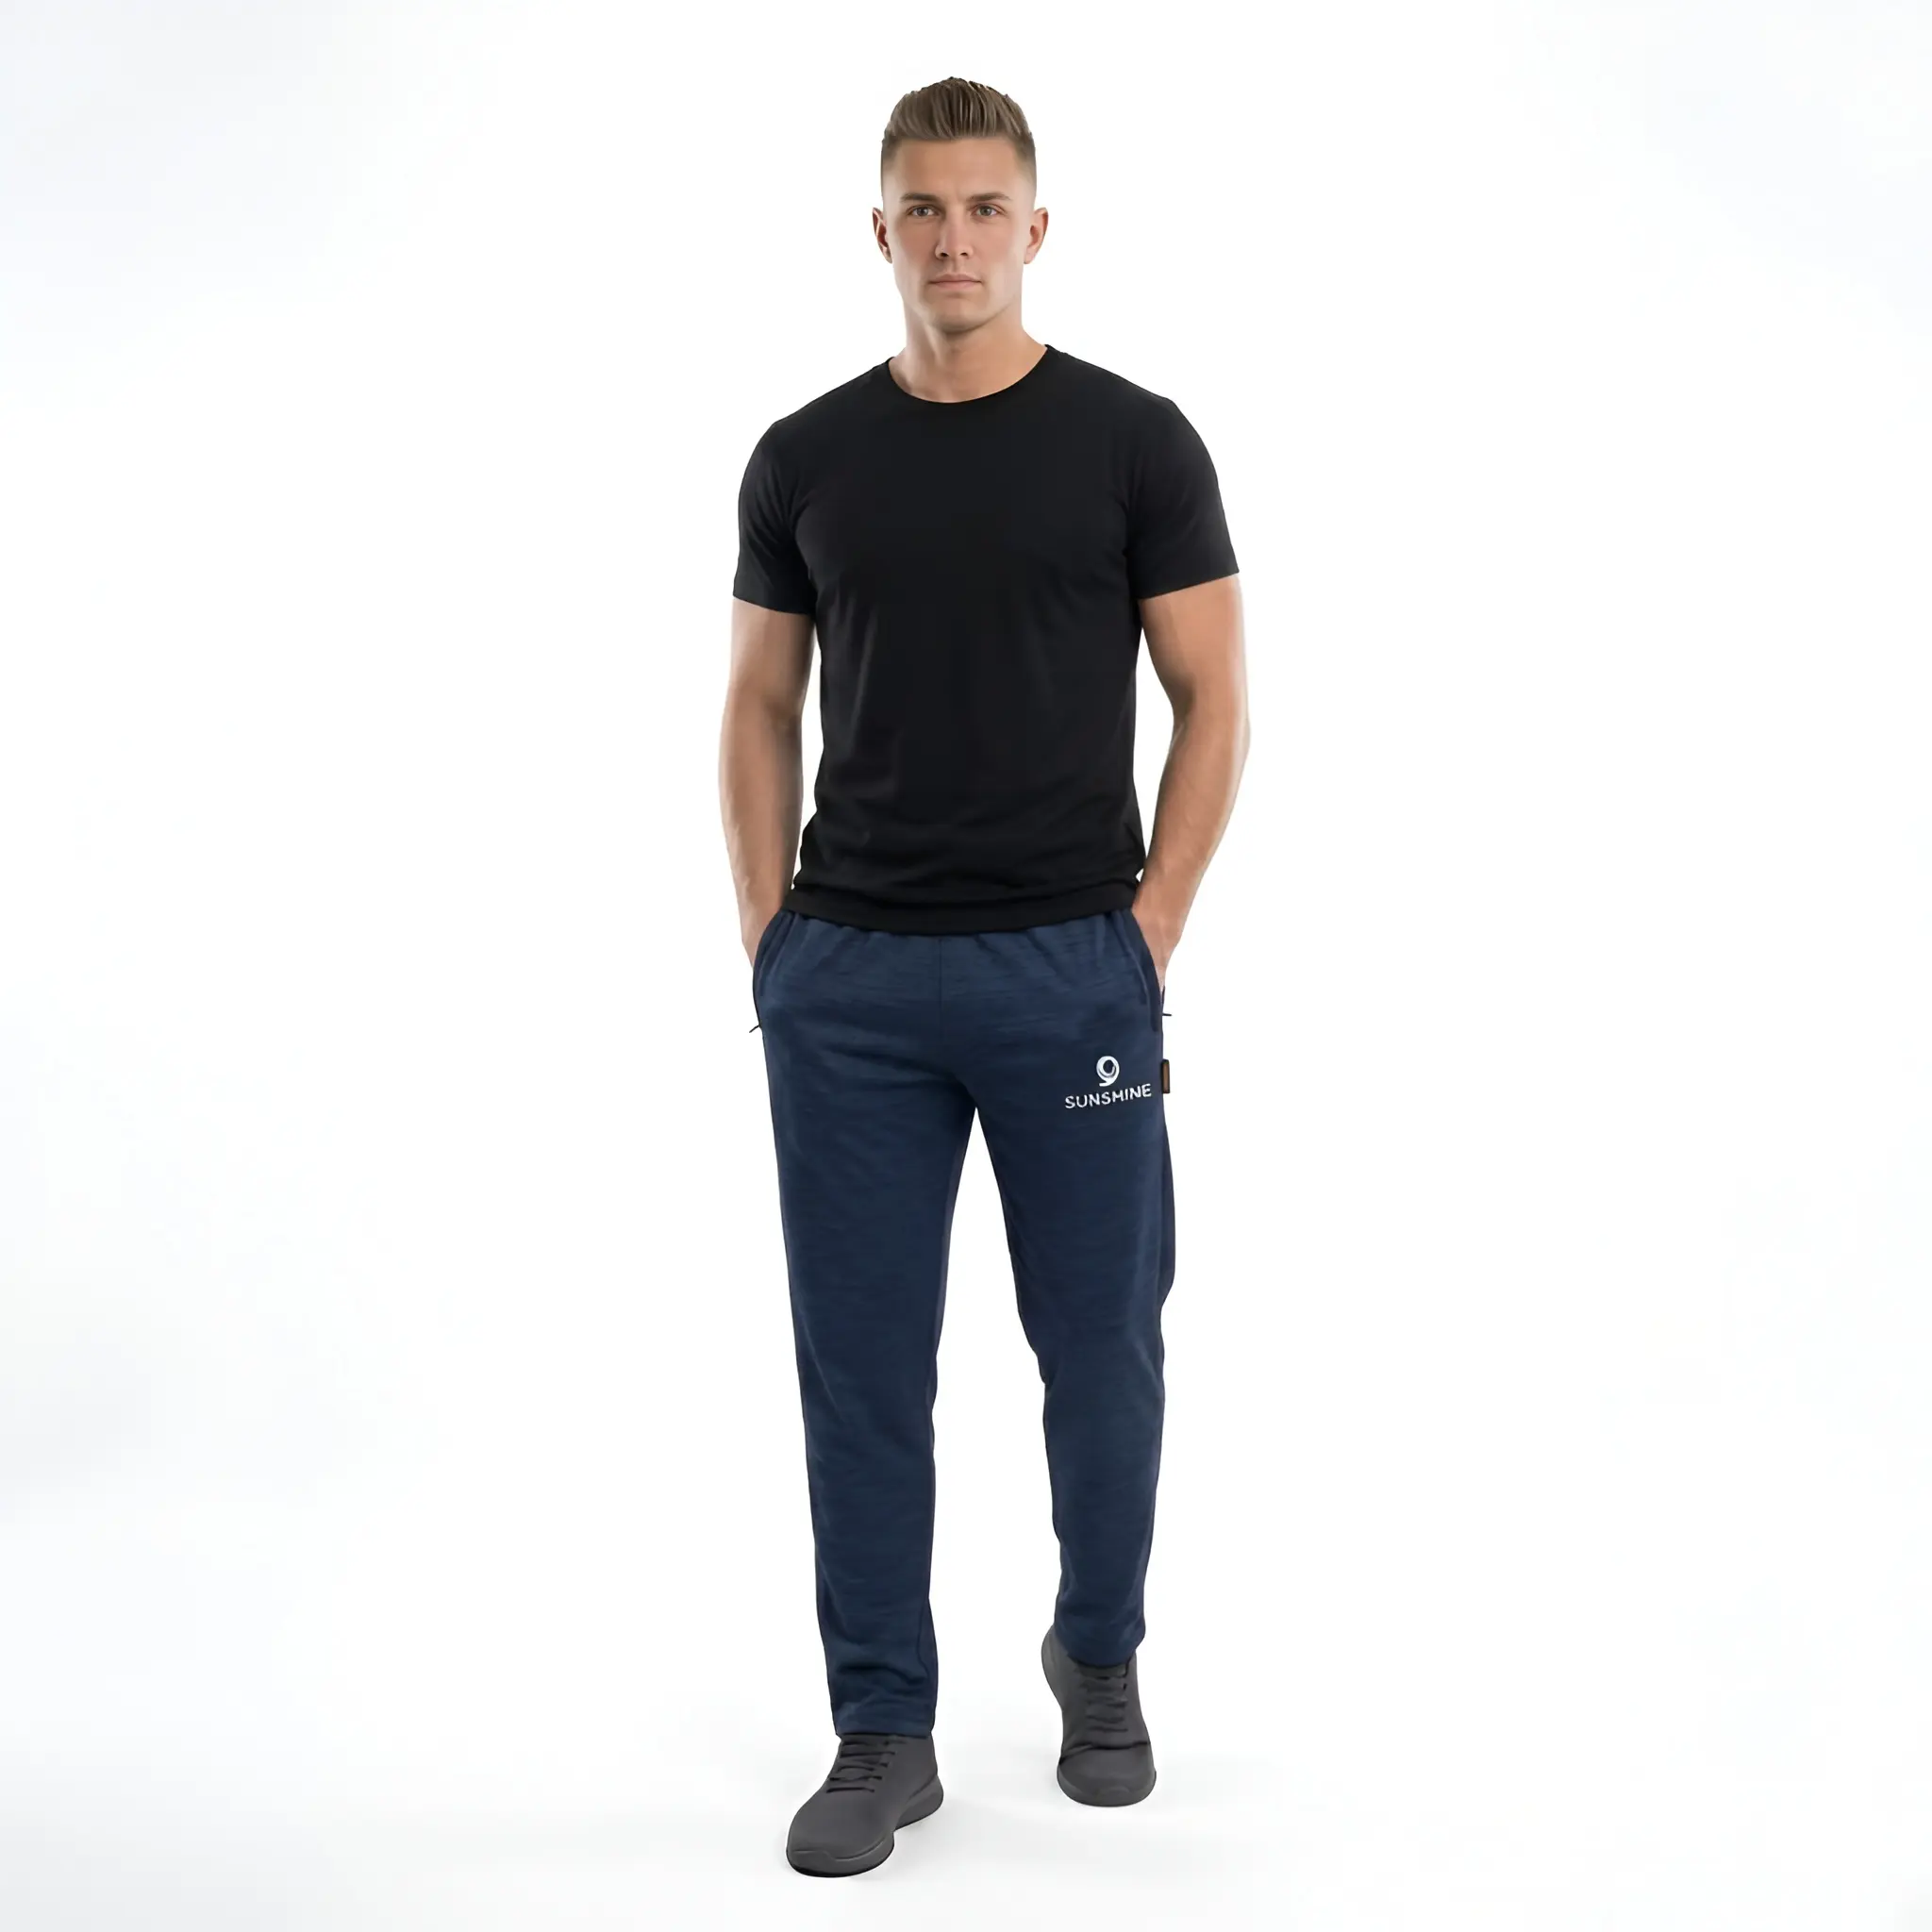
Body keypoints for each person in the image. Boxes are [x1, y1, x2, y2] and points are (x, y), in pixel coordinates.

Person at [718, 75, 1249, 1878]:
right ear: (881, 231)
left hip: (1067, 972)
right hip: (850, 983)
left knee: (1100, 1349)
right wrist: (770, 939)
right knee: (862, 1369)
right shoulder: (805, 456)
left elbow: (1215, 697)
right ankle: (885, 1725)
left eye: (984, 209)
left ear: (1037, 227)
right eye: (924, 211)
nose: (955, 240)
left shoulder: (1134, 444)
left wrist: (1149, 927)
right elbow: (758, 703)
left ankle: (1098, 1653)